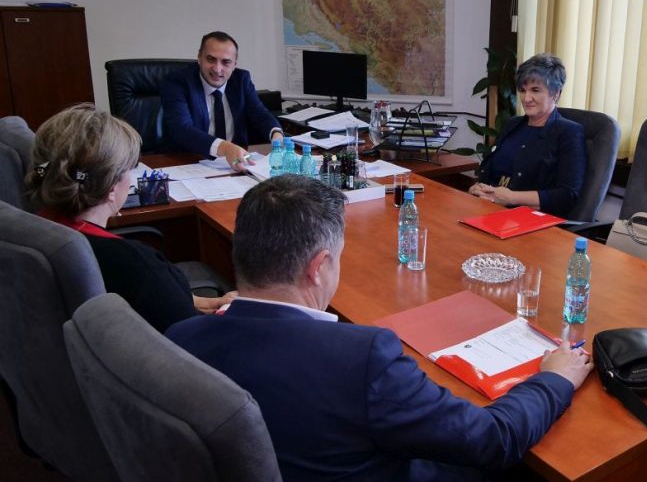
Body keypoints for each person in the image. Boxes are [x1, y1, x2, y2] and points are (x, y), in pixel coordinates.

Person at [166, 175, 593, 481]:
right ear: (319, 267)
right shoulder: (362, 358)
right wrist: (553, 379)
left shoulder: (179, 341)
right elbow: (492, 439)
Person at [25, 105, 233, 332]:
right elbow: (196, 339)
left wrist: (211, 304)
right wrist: (230, 312)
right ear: (111, 188)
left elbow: (163, 302)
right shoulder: (136, 265)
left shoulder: (34, 229)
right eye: (130, 169)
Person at [469, 53, 586, 218]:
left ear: (556, 93)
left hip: (531, 220)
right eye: (522, 90)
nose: (526, 98)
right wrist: (479, 188)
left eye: (535, 90)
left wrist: (511, 198)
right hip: (489, 209)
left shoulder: (569, 132)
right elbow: (488, 172)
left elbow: (567, 195)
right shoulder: (512, 125)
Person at [162, 31, 283, 171]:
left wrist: (276, 134)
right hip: (189, 163)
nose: (217, 69)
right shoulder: (177, 82)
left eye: (226, 62)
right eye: (211, 59)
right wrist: (225, 148)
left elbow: (260, 114)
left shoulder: (241, 80)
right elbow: (182, 129)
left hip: (235, 165)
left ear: (234, 64)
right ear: (199, 58)